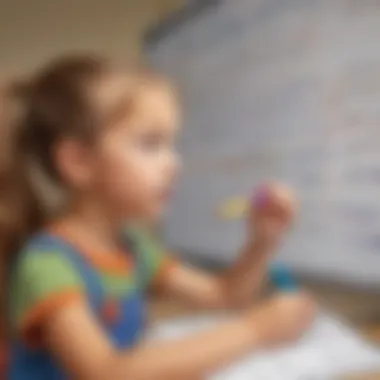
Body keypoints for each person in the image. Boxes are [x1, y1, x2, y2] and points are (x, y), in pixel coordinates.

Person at [1, 54, 316, 380]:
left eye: (171, 144)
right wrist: (255, 330)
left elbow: (225, 295)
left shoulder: (134, 247)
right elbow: (105, 372)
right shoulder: (47, 264)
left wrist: (262, 240)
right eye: (150, 144)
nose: (174, 163)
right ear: (79, 162)